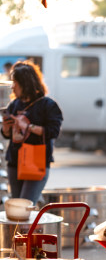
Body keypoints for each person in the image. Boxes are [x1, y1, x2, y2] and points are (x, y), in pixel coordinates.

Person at [1, 60, 63, 203]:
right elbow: (7, 134)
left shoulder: (48, 105)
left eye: (15, 82)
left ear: (26, 83)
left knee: (25, 207)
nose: (12, 86)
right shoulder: (14, 104)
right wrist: (6, 128)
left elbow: (53, 132)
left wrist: (28, 127)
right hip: (14, 161)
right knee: (17, 207)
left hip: (36, 162)